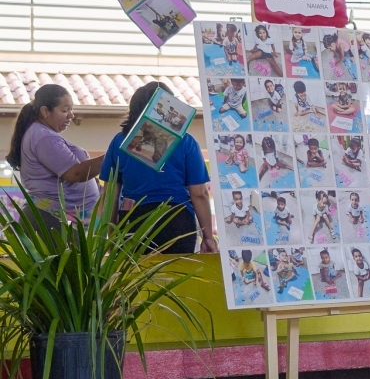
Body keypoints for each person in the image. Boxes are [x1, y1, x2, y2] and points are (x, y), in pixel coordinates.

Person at [100, 81, 216, 254]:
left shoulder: (119, 142)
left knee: (137, 272)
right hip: (177, 220)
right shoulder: (186, 142)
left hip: (133, 221)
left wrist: (112, 236)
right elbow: (199, 193)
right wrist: (208, 237)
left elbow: (110, 196)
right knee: (178, 271)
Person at [6, 84, 104, 226]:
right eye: (65, 110)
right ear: (45, 111)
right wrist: (112, 155)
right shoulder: (44, 137)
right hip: (53, 220)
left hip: (64, 219)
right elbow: (75, 173)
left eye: (71, 109)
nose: (71, 115)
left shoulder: (40, 133)